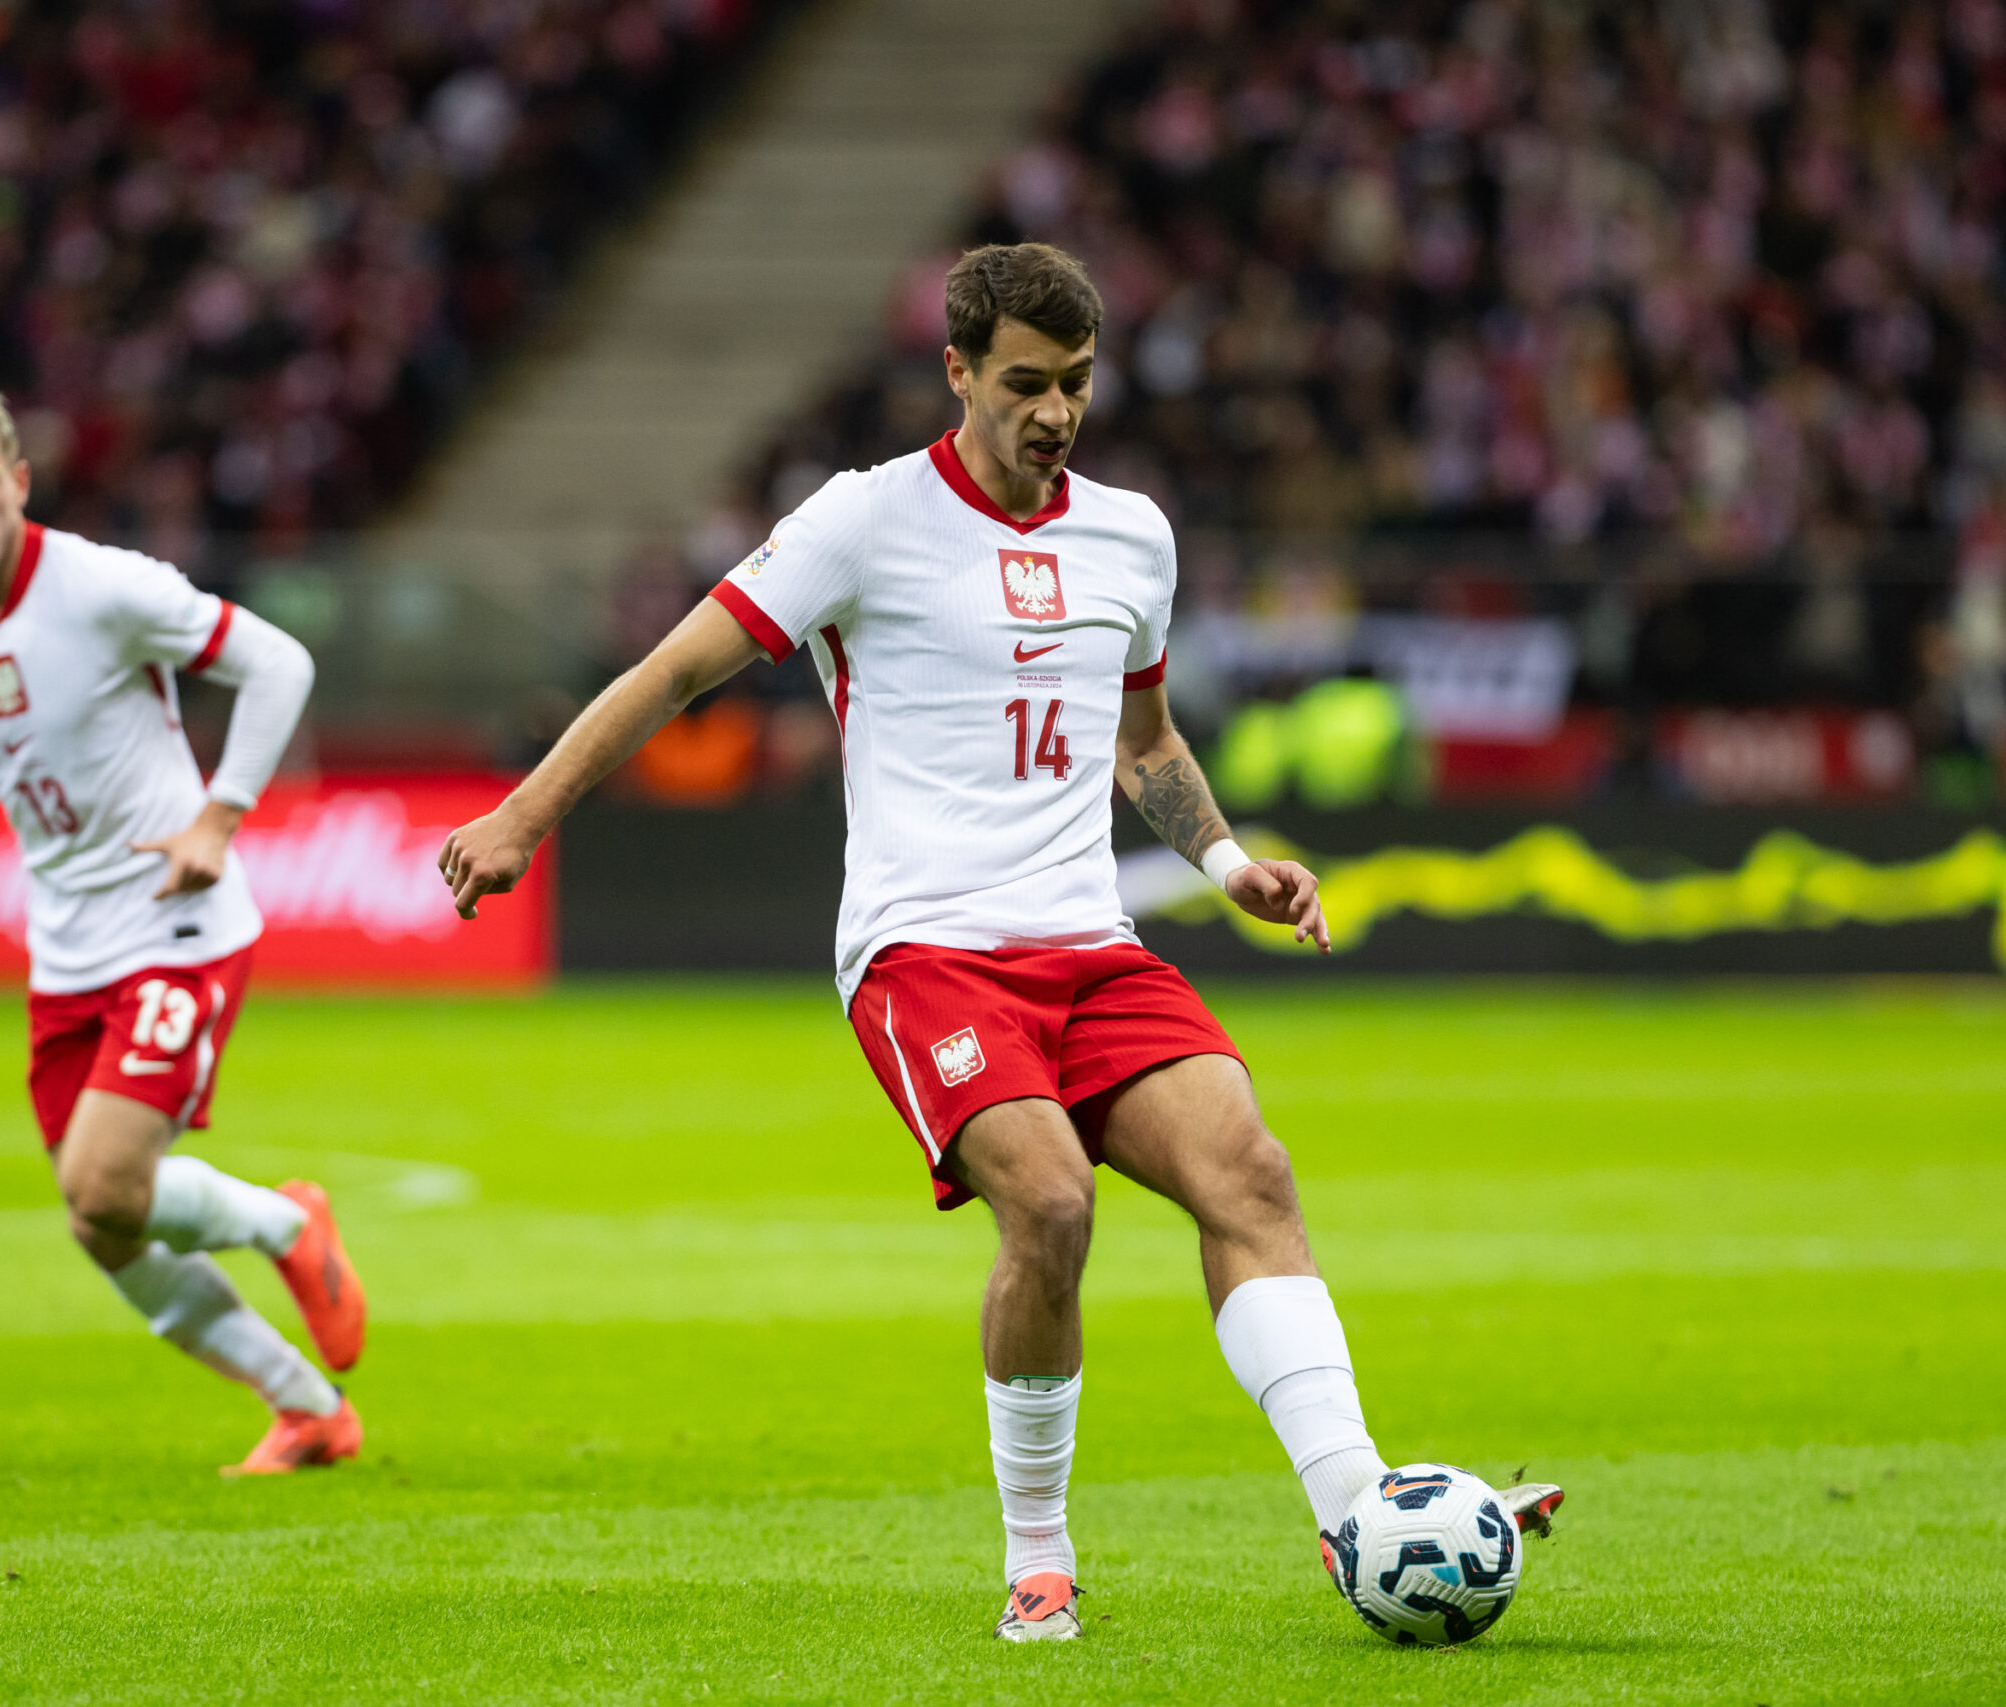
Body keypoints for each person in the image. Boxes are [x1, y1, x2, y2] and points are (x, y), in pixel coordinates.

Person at [440, 245, 1564, 1638]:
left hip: (1089, 945)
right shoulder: (864, 520)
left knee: (1251, 1173)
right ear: (960, 370)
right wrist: (523, 813)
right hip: (927, 950)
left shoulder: (1131, 537)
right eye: (1025, 382)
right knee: (1052, 1203)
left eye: (1077, 384)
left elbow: (1142, 739)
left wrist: (1224, 861)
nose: (1054, 411)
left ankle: (1359, 1515)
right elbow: (677, 671)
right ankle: (1040, 1551)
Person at [0, 379, 366, 1476]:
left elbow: (280, 661)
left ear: (20, 480)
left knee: (102, 1185)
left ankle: (284, 1222)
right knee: (100, 1225)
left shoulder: (102, 586)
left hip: (181, 919)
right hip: (65, 944)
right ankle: (308, 1410)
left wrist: (218, 818)